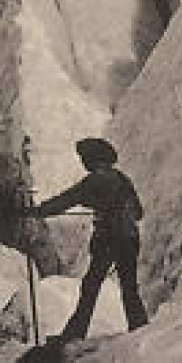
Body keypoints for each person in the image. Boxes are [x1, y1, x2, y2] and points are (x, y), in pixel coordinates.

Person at [28, 137, 148, 338]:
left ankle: (75, 333)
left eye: (84, 158)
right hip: (129, 238)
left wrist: (37, 211)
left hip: (110, 238)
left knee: (91, 286)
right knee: (129, 288)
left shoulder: (95, 180)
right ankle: (140, 329)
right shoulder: (122, 179)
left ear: (93, 159)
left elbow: (67, 200)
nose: (83, 162)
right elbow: (139, 213)